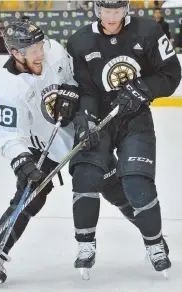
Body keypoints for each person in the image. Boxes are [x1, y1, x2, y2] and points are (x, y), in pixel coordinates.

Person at [0, 19, 138, 288]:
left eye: (40, 45)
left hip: (80, 138)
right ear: (15, 53)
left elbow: (78, 80)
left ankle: (153, 234)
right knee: (27, 199)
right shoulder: (6, 88)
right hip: (40, 149)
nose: (40, 53)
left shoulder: (55, 51)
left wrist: (76, 97)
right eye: (32, 50)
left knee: (115, 190)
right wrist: (23, 164)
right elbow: (10, 136)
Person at [65, 0, 181, 279]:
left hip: (135, 117)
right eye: (107, 10)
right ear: (97, 10)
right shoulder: (79, 42)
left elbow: (172, 74)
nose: (112, 16)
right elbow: (83, 89)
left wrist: (143, 88)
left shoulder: (149, 31)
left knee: (137, 180)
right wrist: (87, 118)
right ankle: (85, 244)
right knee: (85, 174)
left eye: (117, 10)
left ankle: (155, 246)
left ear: (126, 9)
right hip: (100, 121)